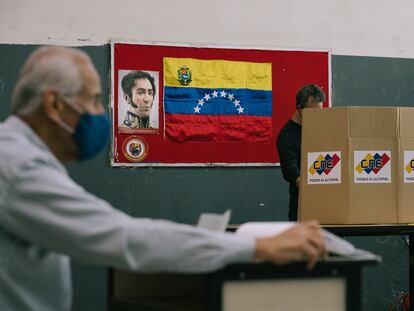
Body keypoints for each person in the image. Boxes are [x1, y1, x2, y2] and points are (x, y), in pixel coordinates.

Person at [0, 46, 326, 310]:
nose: (102, 112)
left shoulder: (20, 158)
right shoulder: (17, 168)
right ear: (55, 105)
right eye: (94, 99)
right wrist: (256, 247)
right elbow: (123, 239)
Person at [277, 84, 326, 221]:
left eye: (319, 112)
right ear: (299, 109)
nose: (316, 117)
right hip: (302, 208)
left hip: (327, 204)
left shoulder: (323, 128)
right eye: (312, 113)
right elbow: (290, 171)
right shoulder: (286, 136)